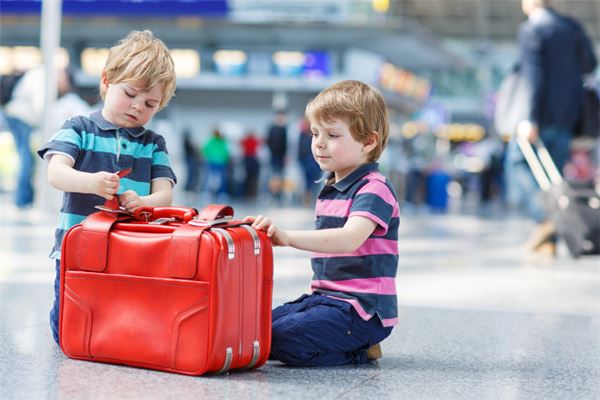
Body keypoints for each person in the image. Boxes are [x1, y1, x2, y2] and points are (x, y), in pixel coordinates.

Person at [37, 30, 177, 344]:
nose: (137, 106)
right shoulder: (79, 128)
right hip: (78, 249)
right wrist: (91, 182)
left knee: (122, 316)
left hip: (132, 251)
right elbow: (56, 173)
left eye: (150, 103)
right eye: (130, 94)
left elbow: (165, 193)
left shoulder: (154, 143)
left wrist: (143, 201)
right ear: (106, 80)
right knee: (68, 327)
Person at [247, 80, 399, 367]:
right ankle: (351, 343)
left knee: (282, 338)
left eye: (332, 135)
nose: (318, 143)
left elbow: (349, 238)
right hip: (324, 298)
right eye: (315, 133)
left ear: (369, 141)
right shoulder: (331, 187)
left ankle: (360, 348)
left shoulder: (374, 188)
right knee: (256, 329)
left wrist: (288, 237)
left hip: (362, 311)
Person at [505, 0, 597, 254]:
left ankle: (548, 220)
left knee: (516, 164)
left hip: (539, 118)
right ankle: (549, 246)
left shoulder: (532, 30)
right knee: (552, 181)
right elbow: (590, 64)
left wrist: (529, 118)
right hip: (567, 118)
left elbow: (535, 76)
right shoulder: (572, 27)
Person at [297, 117, 322, 205]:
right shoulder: (301, 135)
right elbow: (300, 149)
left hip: (313, 161)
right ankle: (308, 198)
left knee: (315, 180)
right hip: (305, 161)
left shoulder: (311, 134)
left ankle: (314, 197)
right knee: (307, 181)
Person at [202, 128, 230, 201]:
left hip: (217, 162)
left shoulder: (219, 141)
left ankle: (220, 193)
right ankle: (209, 193)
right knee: (211, 178)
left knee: (219, 179)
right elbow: (226, 151)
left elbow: (205, 150)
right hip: (215, 162)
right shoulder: (216, 141)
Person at [266, 110, 288, 201]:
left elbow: (286, 144)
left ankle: (279, 194)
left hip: (281, 156)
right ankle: (272, 193)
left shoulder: (284, 129)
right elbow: (268, 141)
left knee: (280, 176)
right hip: (273, 156)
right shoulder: (272, 128)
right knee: (272, 175)